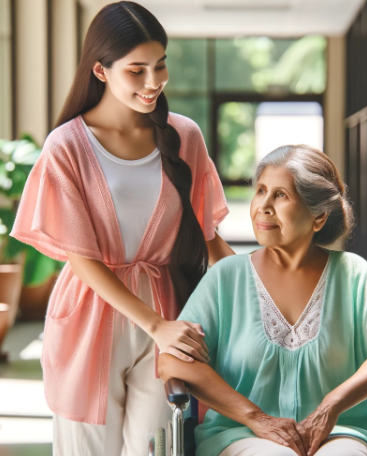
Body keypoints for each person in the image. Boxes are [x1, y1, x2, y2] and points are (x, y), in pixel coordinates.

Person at [10, 2, 233, 454]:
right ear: (100, 70)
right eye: (136, 70)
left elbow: (209, 237)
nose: (154, 83)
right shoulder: (66, 146)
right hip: (89, 316)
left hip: (169, 311)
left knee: (157, 446)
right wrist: (154, 325)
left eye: (160, 66)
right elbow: (80, 256)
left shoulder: (184, 137)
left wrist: (269, 289)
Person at [159, 144, 367, 456]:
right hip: (241, 434)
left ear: (319, 217)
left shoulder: (352, 274)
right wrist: (256, 418)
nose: (263, 206)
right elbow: (172, 360)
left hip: (342, 434)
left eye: (281, 195)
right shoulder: (225, 277)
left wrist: (332, 406)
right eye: (261, 191)